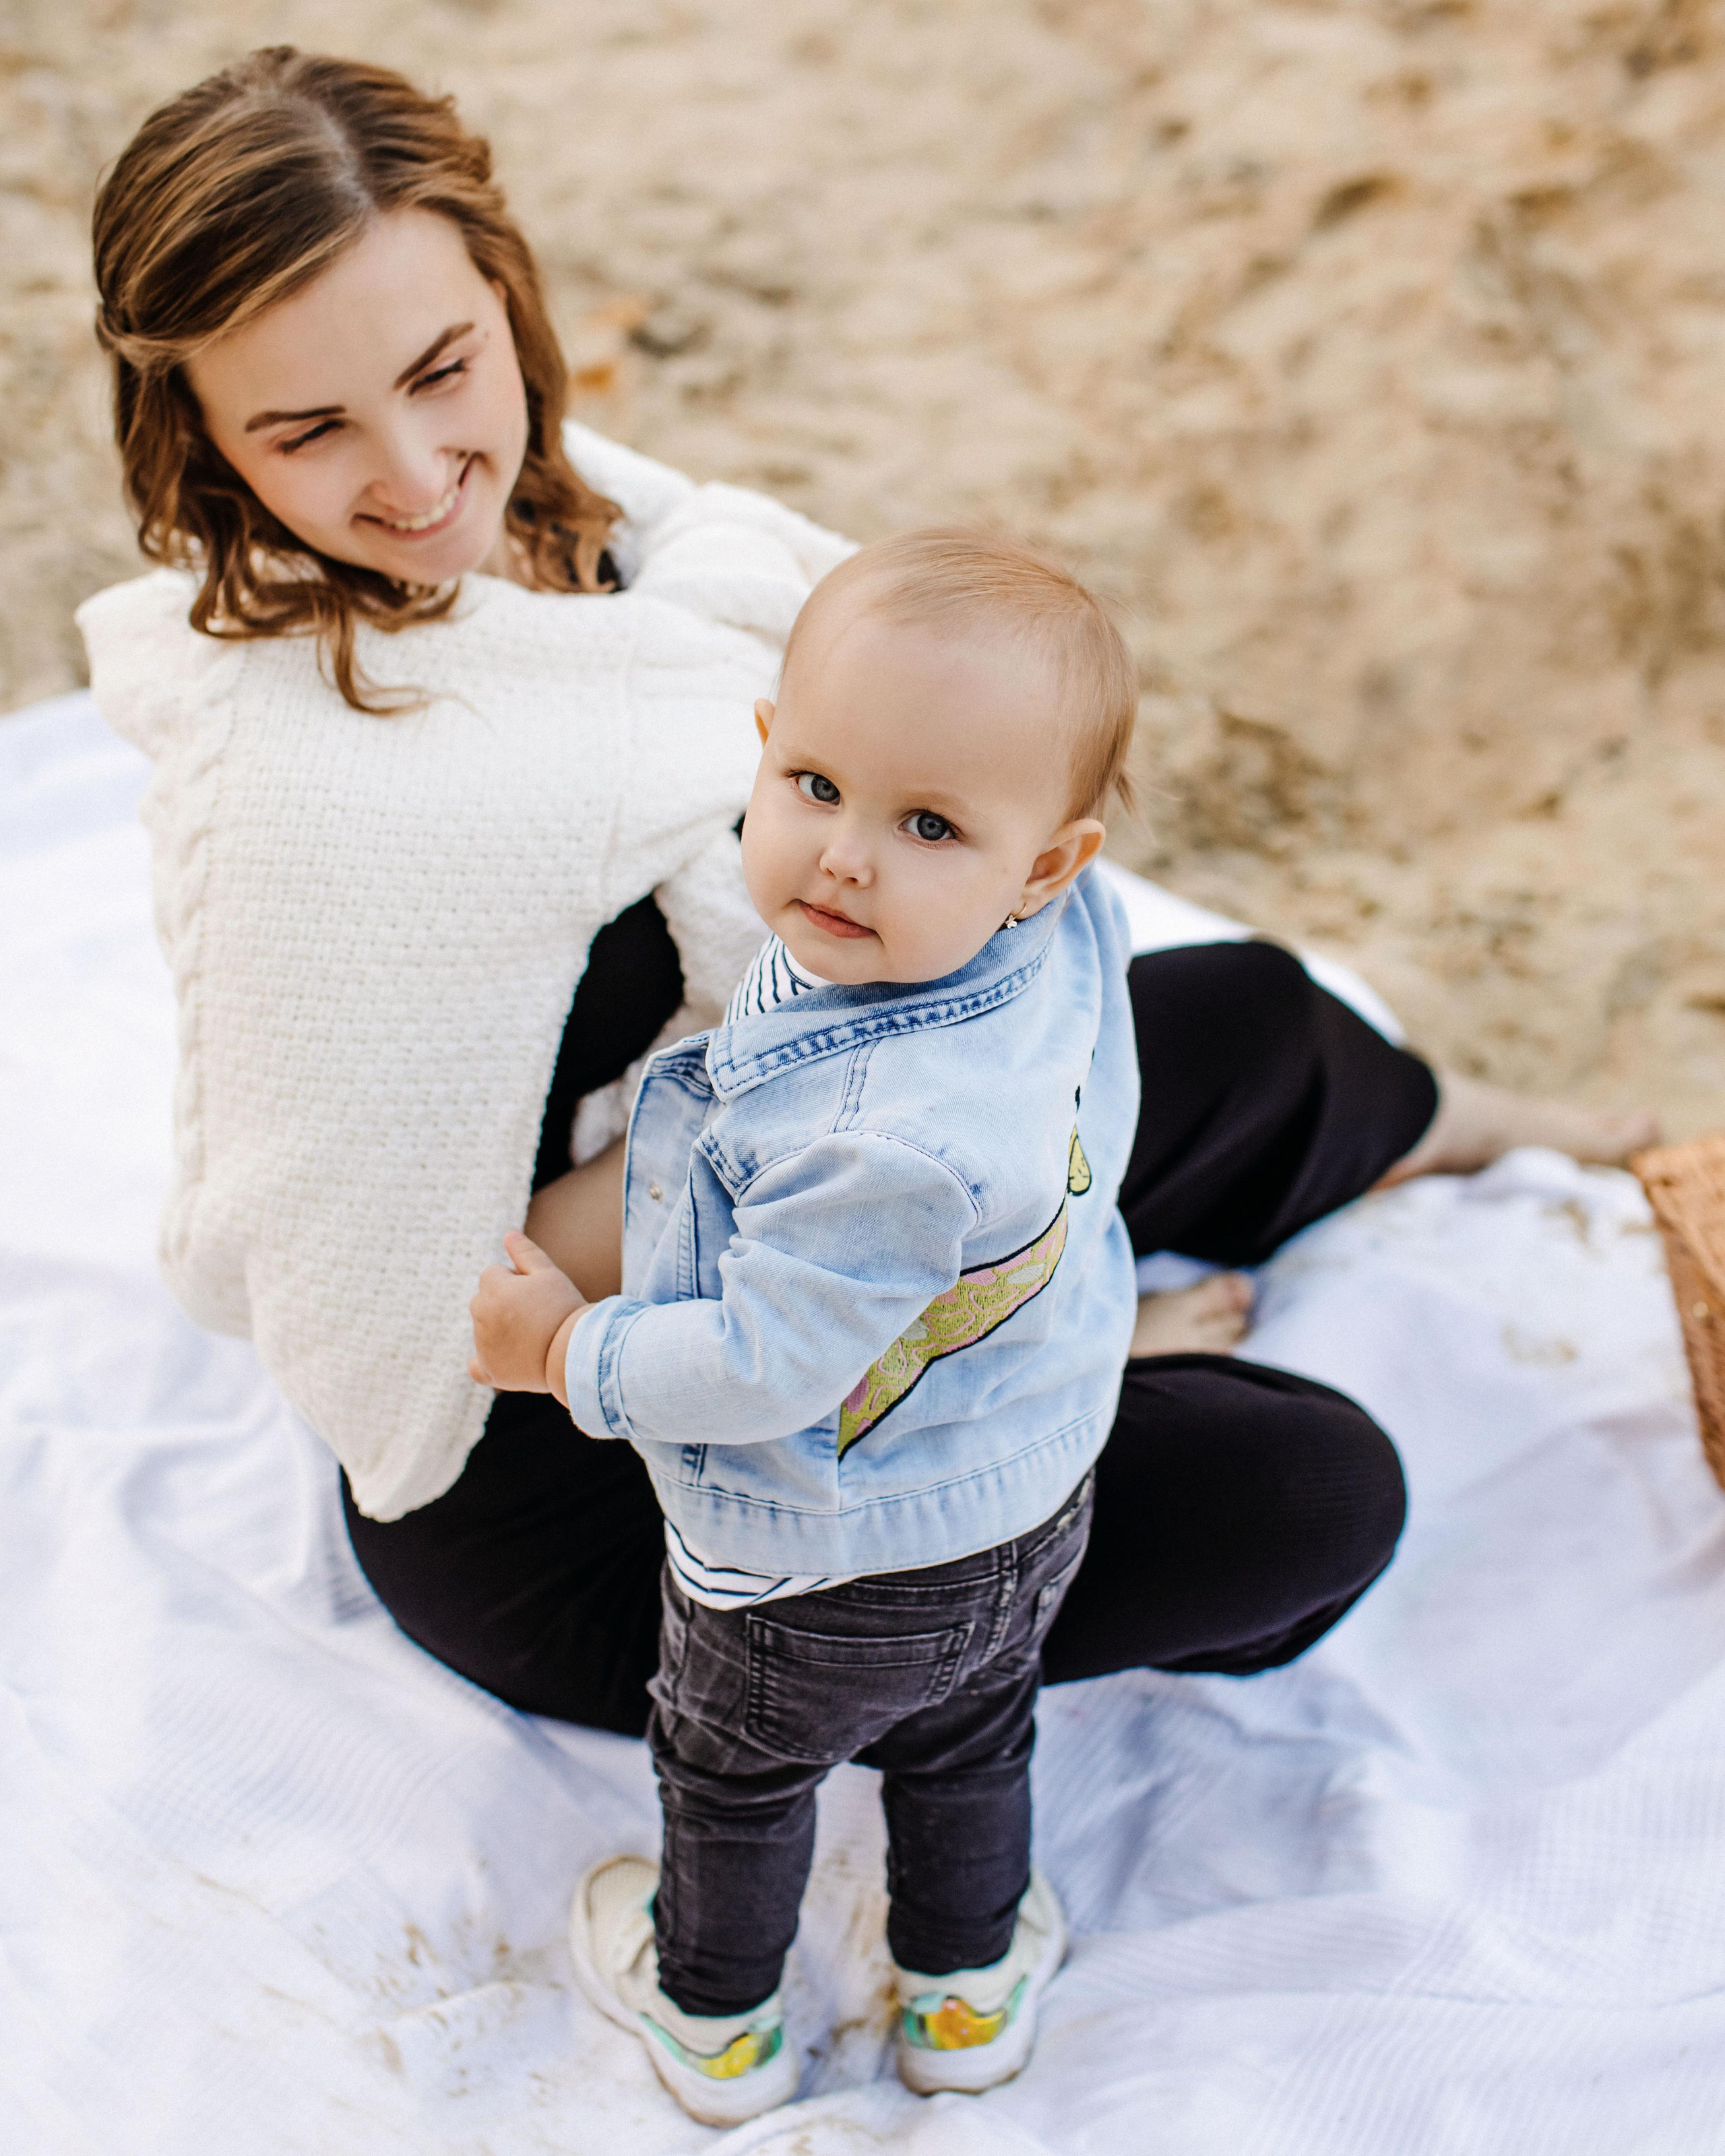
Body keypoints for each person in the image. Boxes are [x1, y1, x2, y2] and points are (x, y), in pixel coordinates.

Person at [81, 49, 1655, 1766]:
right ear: (208, 438)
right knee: (1301, 1489)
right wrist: (849, 1163)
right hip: (588, 1480)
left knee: (1253, 1018)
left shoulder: (589, 528)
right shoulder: (320, 794)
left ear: (500, 289)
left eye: (441, 369)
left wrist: (882, 1125)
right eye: (306, 432)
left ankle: (1502, 1133)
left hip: (789, 1184)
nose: (411, 474)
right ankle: (1047, 1345)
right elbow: (422, 1288)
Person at [468, 530, 1139, 2120]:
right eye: (820, 786)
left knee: (736, 1780)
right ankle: (964, 1995)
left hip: (815, 1570)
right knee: (971, 1743)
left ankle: (713, 2019)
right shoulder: (1052, 957)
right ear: (761, 756)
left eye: (926, 824)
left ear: (1045, 863)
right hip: (1025, 1500)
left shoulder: (868, 1134)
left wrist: (565, 1349)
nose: (843, 857)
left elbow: (765, 1365)